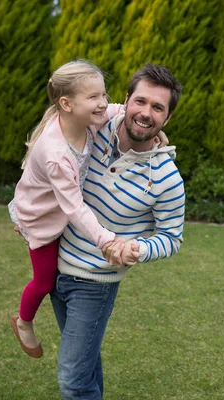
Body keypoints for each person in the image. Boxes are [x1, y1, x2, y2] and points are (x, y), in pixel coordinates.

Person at [8, 60, 167, 359]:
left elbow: (121, 110)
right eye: (93, 97)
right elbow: (75, 209)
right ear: (66, 104)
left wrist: (152, 130)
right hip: (42, 217)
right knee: (44, 279)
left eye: (103, 94)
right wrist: (106, 239)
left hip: (58, 208)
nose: (102, 103)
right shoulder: (56, 154)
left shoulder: (89, 119)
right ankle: (24, 322)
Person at [50, 63, 185, 399]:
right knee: (85, 364)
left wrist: (137, 248)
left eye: (157, 108)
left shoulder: (168, 179)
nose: (145, 113)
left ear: (167, 119)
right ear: (125, 100)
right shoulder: (95, 127)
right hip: (55, 263)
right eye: (140, 101)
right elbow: (62, 110)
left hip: (95, 283)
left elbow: (172, 237)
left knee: (72, 379)